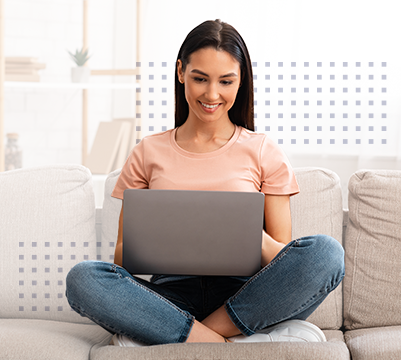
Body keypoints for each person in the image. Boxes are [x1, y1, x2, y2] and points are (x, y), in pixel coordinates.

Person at [65, 19, 344, 346]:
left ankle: (196, 332)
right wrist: (168, 232)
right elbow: (122, 258)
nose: (212, 94)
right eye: (200, 79)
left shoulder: (263, 150)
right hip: (170, 296)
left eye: (226, 81)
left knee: (326, 253)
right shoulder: (147, 152)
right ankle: (218, 339)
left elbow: (284, 263)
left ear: (241, 81)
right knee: (83, 279)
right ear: (181, 71)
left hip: (244, 295)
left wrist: (247, 236)